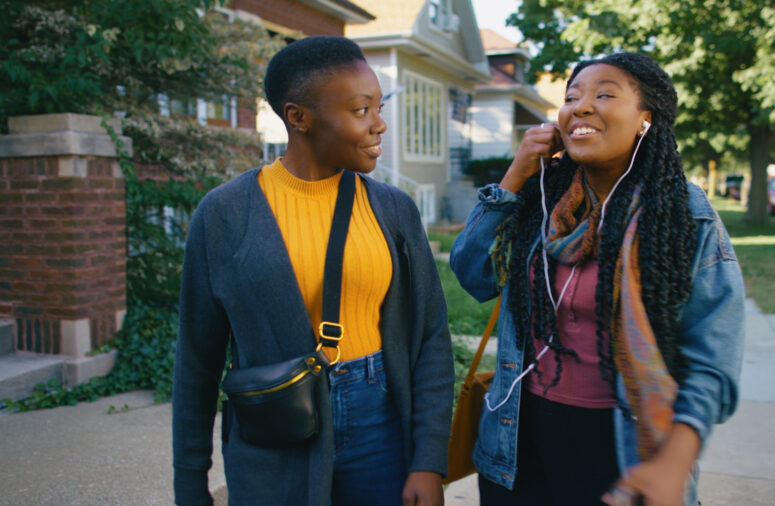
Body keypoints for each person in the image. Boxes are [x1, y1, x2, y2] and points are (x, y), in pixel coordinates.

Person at [450, 52, 745, 505]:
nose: (581, 107)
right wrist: (515, 177)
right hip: (518, 442)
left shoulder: (685, 216)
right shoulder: (542, 201)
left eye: (605, 94)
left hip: (623, 447)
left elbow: (713, 361)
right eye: (572, 97)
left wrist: (673, 462)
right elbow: (473, 275)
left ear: (646, 120)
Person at [172, 36, 453, 506]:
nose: (380, 125)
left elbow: (430, 337)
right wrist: (189, 480)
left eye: (379, 107)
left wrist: (428, 459)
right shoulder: (224, 214)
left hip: (379, 427)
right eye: (361, 110)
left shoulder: (393, 209)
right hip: (274, 434)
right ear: (298, 117)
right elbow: (197, 360)